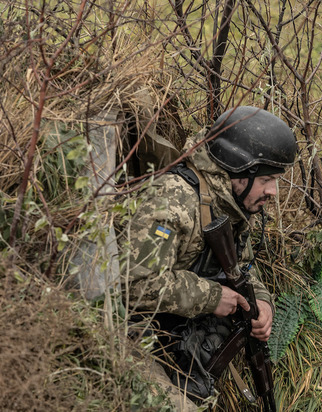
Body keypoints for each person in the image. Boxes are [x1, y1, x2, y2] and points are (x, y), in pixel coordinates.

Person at [123, 106, 297, 410]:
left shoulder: (231, 202)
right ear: (240, 170)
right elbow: (137, 283)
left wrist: (262, 301)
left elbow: (241, 267)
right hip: (133, 336)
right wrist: (212, 296)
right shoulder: (174, 201)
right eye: (267, 179)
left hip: (176, 336)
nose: (274, 191)